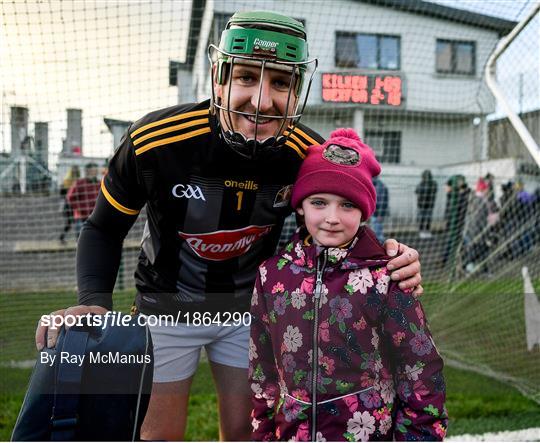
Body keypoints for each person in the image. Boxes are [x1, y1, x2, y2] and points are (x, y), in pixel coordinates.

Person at [35, 11, 424, 441]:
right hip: (166, 304)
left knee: (245, 434)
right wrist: (94, 302)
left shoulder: (310, 154)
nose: (261, 101)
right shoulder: (155, 140)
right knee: (156, 436)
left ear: (297, 91)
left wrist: (389, 258)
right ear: (219, 79)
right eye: (245, 78)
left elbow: (340, 227)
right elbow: (103, 229)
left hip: (248, 309)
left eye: (280, 82)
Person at [249, 129, 447, 441]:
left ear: (365, 211)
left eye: (347, 205)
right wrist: (263, 434)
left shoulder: (387, 277)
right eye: (319, 202)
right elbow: (262, 369)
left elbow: (420, 370)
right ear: (300, 205)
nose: (331, 217)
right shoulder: (270, 276)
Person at [66, 162, 100, 238]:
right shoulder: (79, 183)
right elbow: (70, 198)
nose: (94, 173)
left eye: (96, 171)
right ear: (87, 171)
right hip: (81, 217)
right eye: (92, 171)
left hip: (96, 217)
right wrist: (81, 209)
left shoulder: (100, 184)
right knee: (81, 239)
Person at [59, 165, 80, 243]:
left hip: (76, 206)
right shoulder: (67, 181)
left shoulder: (78, 181)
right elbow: (62, 194)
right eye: (74, 171)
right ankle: (62, 238)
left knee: (78, 222)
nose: (75, 173)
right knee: (70, 223)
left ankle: (78, 239)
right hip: (68, 205)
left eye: (76, 171)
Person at [415, 169, 437, 239]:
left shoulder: (422, 184)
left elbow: (416, 191)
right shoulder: (433, 184)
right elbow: (416, 191)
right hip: (428, 205)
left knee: (424, 218)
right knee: (427, 219)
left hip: (423, 205)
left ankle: (423, 232)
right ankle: (425, 232)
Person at [370, 176, 388, 243]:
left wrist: (381, 215)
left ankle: (380, 244)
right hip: (374, 212)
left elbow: (384, 203)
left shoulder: (382, 187)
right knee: (375, 229)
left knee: (378, 231)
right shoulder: (374, 186)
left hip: (378, 213)